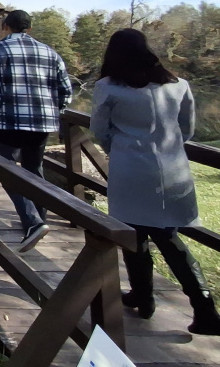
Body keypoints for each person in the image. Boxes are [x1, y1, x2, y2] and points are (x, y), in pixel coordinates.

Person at [90, 28, 220, 335]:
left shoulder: (108, 87)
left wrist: (118, 149)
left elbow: (99, 129)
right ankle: (204, 307)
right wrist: (168, 144)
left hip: (130, 169)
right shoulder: (178, 85)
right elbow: (187, 129)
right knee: (168, 236)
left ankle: (144, 297)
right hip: (172, 169)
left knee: (133, 234)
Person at [0, 9, 72, 252]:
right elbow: (66, 90)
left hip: (9, 121)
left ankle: (33, 222)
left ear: (5, 27)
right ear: (29, 28)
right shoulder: (50, 53)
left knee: (7, 171)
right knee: (34, 168)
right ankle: (40, 218)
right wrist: (54, 111)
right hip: (42, 122)